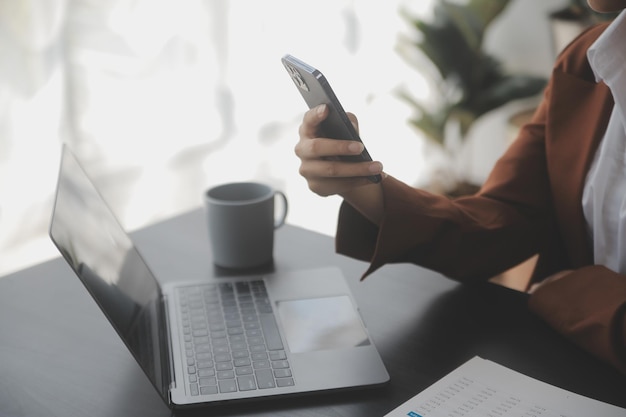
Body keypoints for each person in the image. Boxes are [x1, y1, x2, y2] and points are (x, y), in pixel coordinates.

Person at [294, 0, 626, 374]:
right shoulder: (587, 61)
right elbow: (505, 218)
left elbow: (565, 289)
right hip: (574, 369)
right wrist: (363, 186)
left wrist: (578, 297)